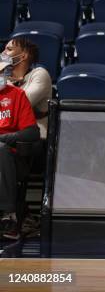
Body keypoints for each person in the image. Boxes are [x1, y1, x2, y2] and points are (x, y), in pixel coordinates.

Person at [0, 59, 40, 240]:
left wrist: (5, 138)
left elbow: (32, 132)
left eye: (3, 72)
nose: (2, 76)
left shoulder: (17, 95)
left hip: (11, 155)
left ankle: (9, 215)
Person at [2, 38, 52, 140]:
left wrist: (5, 78)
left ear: (23, 56)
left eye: (9, 49)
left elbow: (21, 103)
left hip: (33, 138)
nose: (3, 53)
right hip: (6, 133)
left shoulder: (39, 73)